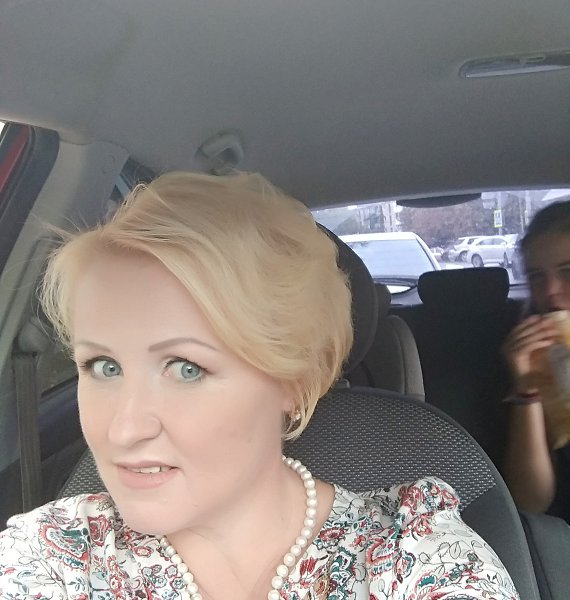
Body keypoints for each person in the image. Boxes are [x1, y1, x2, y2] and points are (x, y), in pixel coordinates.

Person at [0, 172, 518, 599]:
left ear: (293, 380)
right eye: (104, 367)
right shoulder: (53, 557)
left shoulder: (414, 560)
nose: (123, 429)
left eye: (186, 368)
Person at [502, 200, 570, 523]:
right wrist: (526, 387)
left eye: (567, 272)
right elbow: (530, 502)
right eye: (536, 276)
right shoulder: (538, 356)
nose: (551, 292)